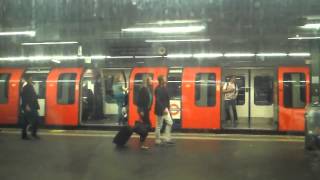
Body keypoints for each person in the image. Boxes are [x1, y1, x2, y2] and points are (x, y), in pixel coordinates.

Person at [154, 75, 174, 145]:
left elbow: (166, 99)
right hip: (160, 109)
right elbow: (158, 101)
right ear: (162, 81)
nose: (166, 79)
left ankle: (166, 138)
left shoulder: (165, 88)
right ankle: (157, 140)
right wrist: (163, 109)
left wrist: (168, 108)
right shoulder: (158, 89)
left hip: (165, 109)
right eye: (165, 79)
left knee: (170, 123)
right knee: (159, 125)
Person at [21, 74, 40, 140]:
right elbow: (24, 97)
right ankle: (29, 134)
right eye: (30, 78)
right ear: (28, 79)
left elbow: (34, 96)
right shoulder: (26, 87)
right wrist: (26, 105)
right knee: (34, 121)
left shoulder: (31, 86)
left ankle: (30, 134)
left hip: (33, 106)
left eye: (31, 78)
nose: (31, 79)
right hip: (29, 106)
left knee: (28, 121)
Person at [136, 75, 153, 150]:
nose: (152, 80)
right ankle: (142, 144)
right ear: (147, 80)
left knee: (145, 126)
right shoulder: (143, 89)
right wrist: (141, 110)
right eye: (150, 79)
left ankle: (142, 142)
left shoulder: (147, 88)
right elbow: (139, 101)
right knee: (147, 126)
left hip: (146, 109)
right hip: (143, 110)